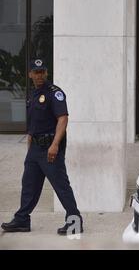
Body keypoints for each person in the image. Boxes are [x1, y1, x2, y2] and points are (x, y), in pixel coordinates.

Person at [1, 59, 83, 235]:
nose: (39, 75)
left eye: (42, 72)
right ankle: (22, 220)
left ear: (46, 73)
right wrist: (29, 149)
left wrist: (54, 145)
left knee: (61, 186)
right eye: (35, 72)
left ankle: (75, 222)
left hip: (50, 148)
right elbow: (32, 125)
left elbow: (63, 119)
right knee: (29, 185)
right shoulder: (32, 94)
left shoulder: (54, 93)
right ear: (30, 74)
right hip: (34, 150)